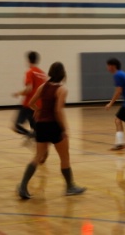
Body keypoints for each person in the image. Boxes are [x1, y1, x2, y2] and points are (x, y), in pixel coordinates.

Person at [17, 62, 86, 199]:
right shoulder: (62, 90)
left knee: (38, 157)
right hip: (54, 126)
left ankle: (23, 185)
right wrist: (64, 128)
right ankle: (70, 186)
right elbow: (58, 111)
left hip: (41, 125)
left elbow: (31, 103)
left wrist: (38, 110)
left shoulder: (43, 87)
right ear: (62, 74)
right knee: (64, 157)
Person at [12, 51, 47, 138]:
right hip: (39, 106)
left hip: (28, 105)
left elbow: (29, 89)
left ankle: (30, 136)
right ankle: (37, 140)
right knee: (37, 130)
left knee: (17, 126)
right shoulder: (43, 74)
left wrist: (18, 93)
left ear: (28, 60)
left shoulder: (30, 72)